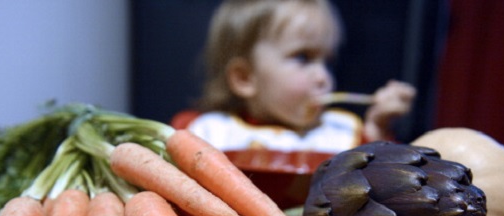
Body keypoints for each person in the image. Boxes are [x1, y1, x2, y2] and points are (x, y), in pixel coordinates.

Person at [172, 0, 416, 153]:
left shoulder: (345, 136)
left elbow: (382, 182)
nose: (324, 78)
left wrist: (377, 129)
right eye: (303, 57)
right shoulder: (206, 133)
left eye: (328, 62)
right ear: (244, 78)